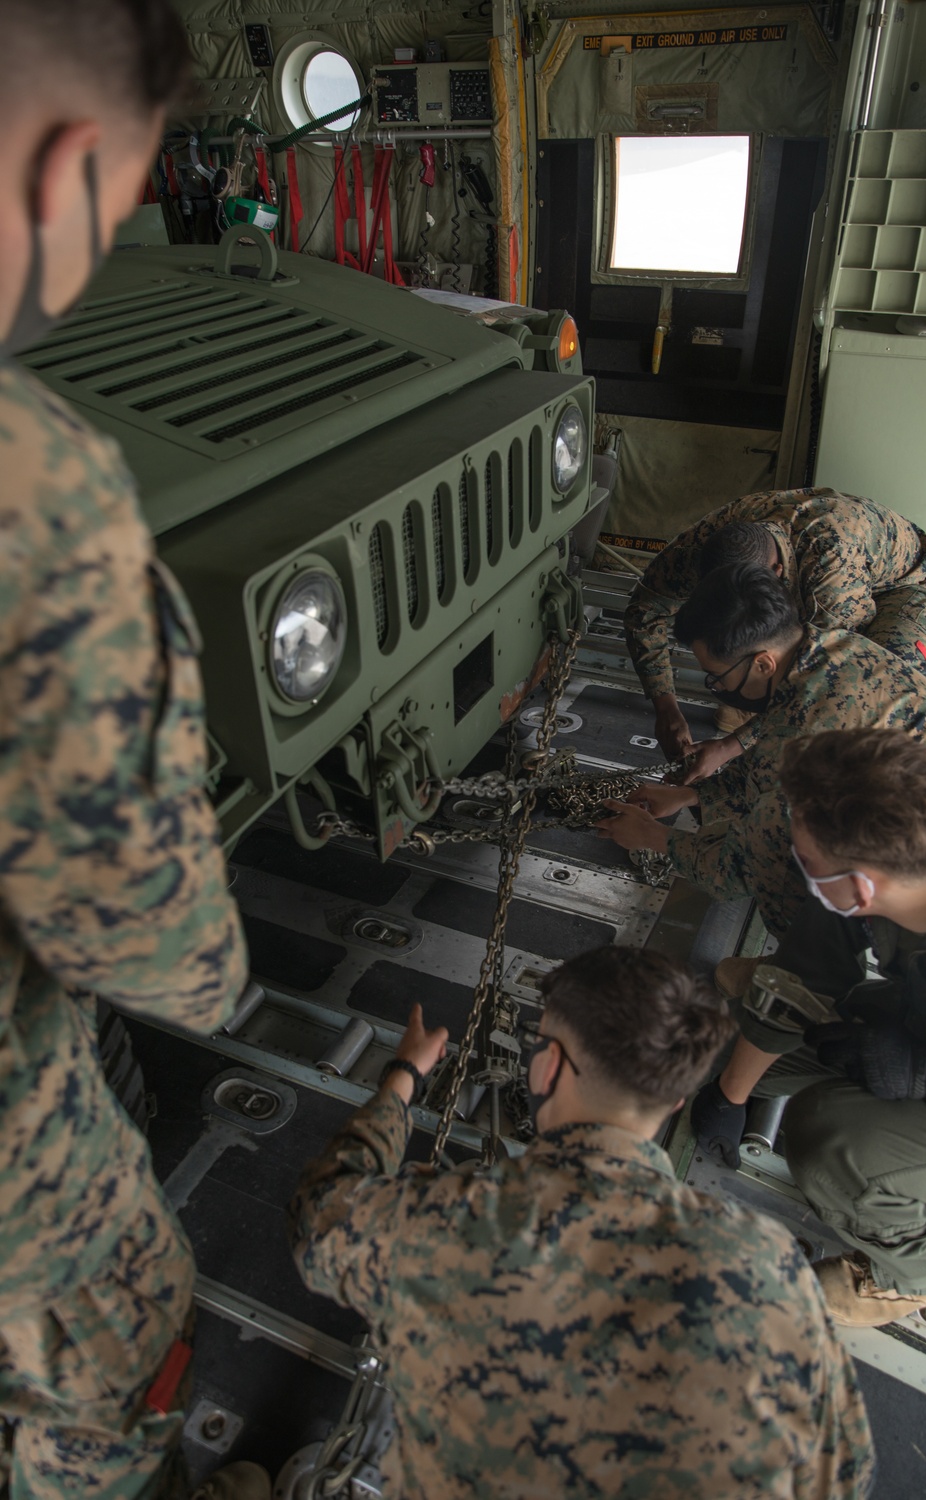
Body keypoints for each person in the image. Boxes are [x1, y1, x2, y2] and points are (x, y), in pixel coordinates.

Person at [0, 3, 261, 1496]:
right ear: (68, 172)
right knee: (117, 1341)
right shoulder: (32, 482)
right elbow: (150, 938)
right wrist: (221, 983)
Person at [288, 949, 875, 1500]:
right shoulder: (771, 1267)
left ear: (546, 1067)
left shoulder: (441, 1221)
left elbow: (320, 1219)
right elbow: (842, 1473)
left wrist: (401, 1080)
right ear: (673, 1101)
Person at [689, 728, 926, 1327]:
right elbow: (805, 972)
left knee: (830, 1142)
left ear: (860, 889)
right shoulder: (904, 855)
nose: (802, 871)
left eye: (808, 864)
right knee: (728, 1048)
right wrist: (729, 1095)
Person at [598, 563, 926, 934]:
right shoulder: (825, 648)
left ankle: (804, 967)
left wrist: (653, 837)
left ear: (762, 664)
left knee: (793, 868)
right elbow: (770, 750)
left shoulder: (807, 736)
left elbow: (740, 869)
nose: (717, 689)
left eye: (715, 677)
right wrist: (689, 794)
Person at [623, 486, 926, 777]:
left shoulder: (830, 575)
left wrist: (732, 746)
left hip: (908, 589)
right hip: (832, 576)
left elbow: (824, 677)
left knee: (868, 694)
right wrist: (665, 707)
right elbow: (645, 612)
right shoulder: (700, 548)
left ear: (776, 571)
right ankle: (757, 698)